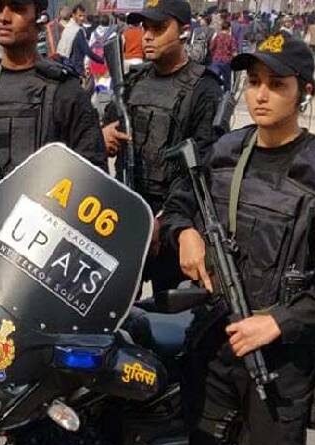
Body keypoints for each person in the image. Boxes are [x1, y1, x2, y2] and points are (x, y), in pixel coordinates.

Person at [163, 32, 315, 445]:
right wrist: (184, 232)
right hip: (216, 342)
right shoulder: (226, 150)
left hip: (281, 363)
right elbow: (179, 202)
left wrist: (279, 322)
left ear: (304, 91)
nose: (261, 95)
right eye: (253, 82)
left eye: (276, 84)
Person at [101, 0, 222, 292]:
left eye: (158, 28)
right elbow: (108, 124)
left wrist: (168, 219)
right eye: (145, 28)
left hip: (174, 220)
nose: (147, 36)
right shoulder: (133, 80)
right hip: (126, 209)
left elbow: (204, 164)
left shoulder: (204, 88)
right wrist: (104, 135)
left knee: (169, 306)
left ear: (184, 31)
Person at [0, 0, 107, 174]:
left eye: (17, 9)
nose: (4, 18)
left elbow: (92, 169)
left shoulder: (65, 91)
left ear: (39, 18)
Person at [56, 3, 103, 77]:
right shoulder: (77, 31)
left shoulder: (68, 27)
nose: (82, 18)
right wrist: (102, 60)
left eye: (83, 16)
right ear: (73, 15)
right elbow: (87, 51)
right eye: (80, 16)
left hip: (65, 66)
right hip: (75, 69)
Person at [210, 20, 237, 91]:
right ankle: (226, 95)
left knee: (214, 79)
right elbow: (234, 52)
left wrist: (214, 55)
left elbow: (211, 48)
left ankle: (214, 93)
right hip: (226, 61)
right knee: (227, 81)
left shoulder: (217, 37)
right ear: (229, 28)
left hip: (216, 60)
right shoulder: (231, 38)